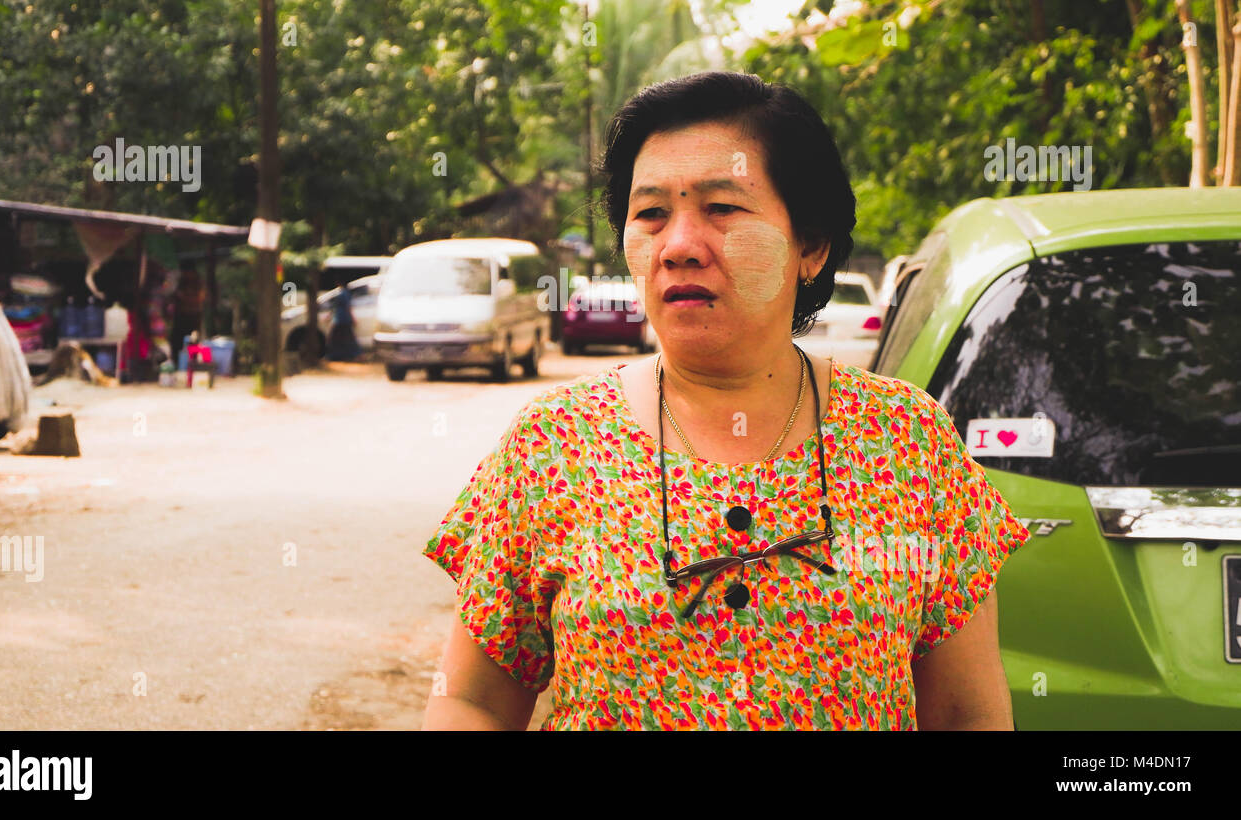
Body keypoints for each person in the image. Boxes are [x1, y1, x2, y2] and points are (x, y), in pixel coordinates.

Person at [421, 71, 1031, 730]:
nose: (679, 246)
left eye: (722, 208)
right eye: (651, 213)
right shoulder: (552, 443)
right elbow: (470, 698)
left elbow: (967, 713)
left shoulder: (908, 442)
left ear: (812, 245)